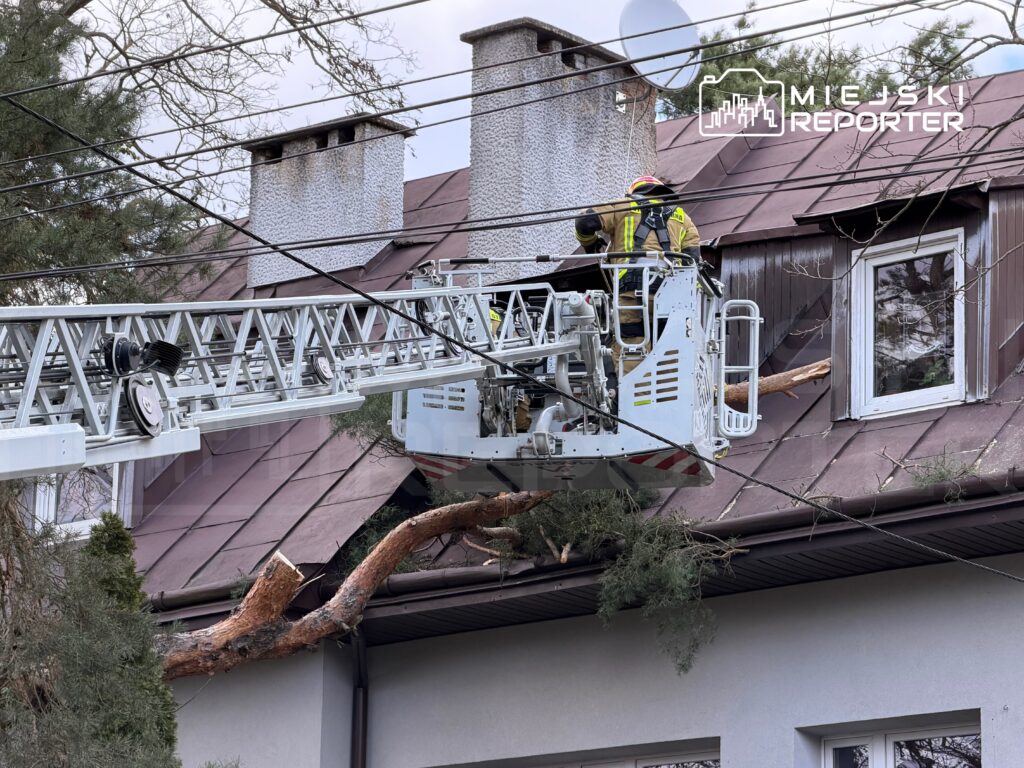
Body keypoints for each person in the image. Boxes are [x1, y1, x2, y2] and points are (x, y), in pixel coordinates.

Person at [574, 175, 701, 373]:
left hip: (631, 292)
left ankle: (635, 396)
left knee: (632, 346)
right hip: (670, 294)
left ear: (636, 191)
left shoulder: (624, 206)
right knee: (668, 348)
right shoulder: (683, 218)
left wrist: (591, 244)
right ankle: (665, 393)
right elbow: (692, 263)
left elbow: (584, 222)